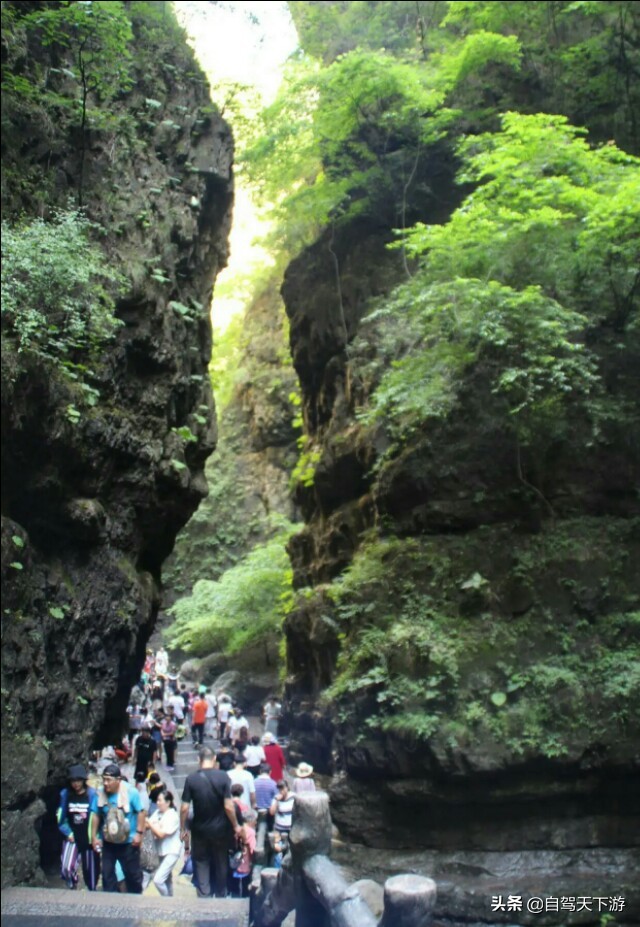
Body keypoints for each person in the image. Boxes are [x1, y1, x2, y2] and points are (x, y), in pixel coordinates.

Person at [180, 746, 242, 899]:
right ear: (214, 759)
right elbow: (228, 806)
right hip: (220, 831)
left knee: (201, 863)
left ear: (198, 760)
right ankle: (220, 896)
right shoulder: (223, 777)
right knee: (221, 862)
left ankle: (204, 897)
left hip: (200, 831)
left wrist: (183, 828)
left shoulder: (191, 779)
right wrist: (236, 825)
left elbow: (184, 808)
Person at [91, 763, 146, 893]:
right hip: (108, 843)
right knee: (107, 874)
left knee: (132, 875)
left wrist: (139, 833)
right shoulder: (100, 793)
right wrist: (94, 837)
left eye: (109, 780)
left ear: (118, 780)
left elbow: (141, 812)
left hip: (128, 843)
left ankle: (135, 898)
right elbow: (96, 815)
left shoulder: (131, 792)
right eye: (104, 779)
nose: (105, 783)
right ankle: (111, 901)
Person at [57, 764, 100, 891]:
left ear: (83, 780)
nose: (75, 784)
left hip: (88, 838)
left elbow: (97, 816)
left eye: (78, 780)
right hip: (73, 836)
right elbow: (61, 817)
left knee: (91, 872)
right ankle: (73, 885)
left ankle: (91, 895)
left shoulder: (92, 795)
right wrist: (68, 833)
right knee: (66, 867)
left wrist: (96, 836)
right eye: (73, 781)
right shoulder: (66, 794)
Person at [144, 788, 182, 896]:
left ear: (168, 802)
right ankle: (170, 897)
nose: (158, 803)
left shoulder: (172, 815)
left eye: (160, 800)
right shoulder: (157, 812)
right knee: (167, 879)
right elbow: (147, 825)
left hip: (171, 851)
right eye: (157, 800)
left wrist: (152, 824)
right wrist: (153, 825)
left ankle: (165, 899)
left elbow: (161, 834)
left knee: (158, 879)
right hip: (161, 850)